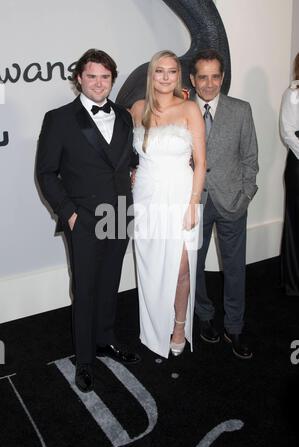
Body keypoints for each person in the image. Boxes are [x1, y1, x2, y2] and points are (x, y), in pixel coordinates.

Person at [36, 49, 140, 393]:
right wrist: (70, 213)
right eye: (92, 76)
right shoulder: (59, 118)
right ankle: (84, 358)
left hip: (120, 213)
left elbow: (126, 158)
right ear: (79, 78)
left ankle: (105, 338)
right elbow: (47, 173)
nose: (99, 83)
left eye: (105, 77)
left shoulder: (124, 116)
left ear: (113, 79)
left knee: (110, 282)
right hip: (84, 218)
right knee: (85, 288)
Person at [130, 50, 206, 358]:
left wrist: (193, 203)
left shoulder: (189, 108)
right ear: (151, 75)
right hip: (147, 196)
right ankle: (153, 328)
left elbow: (201, 163)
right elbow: (122, 153)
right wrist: (130, 171)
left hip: (181, 195)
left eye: (171, 71)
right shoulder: (136, 109)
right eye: (159, 71)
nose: (165, 77)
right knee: (150, 267)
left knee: (181, 269)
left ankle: (178, 326)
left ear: (179, 76)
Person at [190, 49, 258, 359]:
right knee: (195, 267)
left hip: (232, 202)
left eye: (215, 76)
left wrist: (246, 194)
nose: (208, 83)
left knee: (234, 269)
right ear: (193, 79)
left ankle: (235, 326)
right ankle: (204, 317)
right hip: (195, 203)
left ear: (222, 77)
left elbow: (250, 158)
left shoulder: (241, 110)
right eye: (202, 77)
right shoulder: (182, 110)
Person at [280, 53, 299, 296]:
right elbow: (288, 132)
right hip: (298, 165)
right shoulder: (293, 94)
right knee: (296, 224)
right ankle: (294, 284)